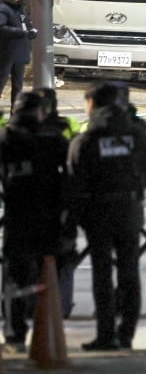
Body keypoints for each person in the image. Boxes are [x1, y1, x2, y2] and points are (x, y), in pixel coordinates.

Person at [67, 81, 146, 350]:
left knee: (102, 274)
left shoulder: (88, 137)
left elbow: (76, 178)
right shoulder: (136, 133)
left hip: (99, 211)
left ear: (92, 103)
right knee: (129, 271)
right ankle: (127, 333)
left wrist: (78, 214)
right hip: (129, 209)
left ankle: (106, 334)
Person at [0, 90, 68, 352]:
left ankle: (15, 331)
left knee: (15, 276)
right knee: (48, 271)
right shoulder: (53, 138)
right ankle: (47, 324)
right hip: (50, 215)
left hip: (17, 214)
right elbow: (70, 174)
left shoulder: (7, 137)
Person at [0, 0, 36, 111]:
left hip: (19, 53)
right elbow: (2, 28)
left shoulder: (20, 9)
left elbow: (27, 25)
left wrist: (31, 31)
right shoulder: (3, 8)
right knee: (1, 81)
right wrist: (22, 32)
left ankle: (15, 115)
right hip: (7, 52)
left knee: (18, 86)